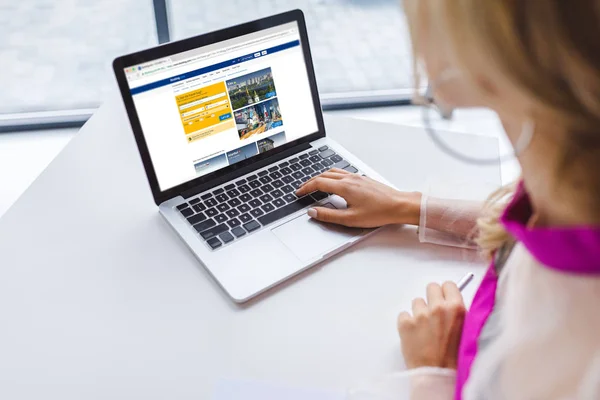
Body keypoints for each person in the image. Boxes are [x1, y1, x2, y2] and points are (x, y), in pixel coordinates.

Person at [296, 1, 600, 398]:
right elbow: (525, 236)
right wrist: (408, 206)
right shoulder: (569, 179)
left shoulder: (568, 356)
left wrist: (433, 375)